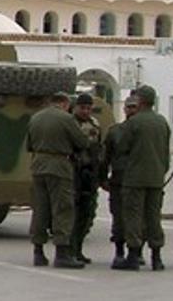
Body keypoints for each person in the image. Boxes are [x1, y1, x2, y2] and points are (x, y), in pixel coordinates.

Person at [27, 91, 90, 269]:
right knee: (62, 208)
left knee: (40, 209)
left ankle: (38, 252)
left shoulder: (36, 118)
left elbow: (29, 145)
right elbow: (81, 142)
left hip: (38, 165)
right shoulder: (66, 119)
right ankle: (62, 253)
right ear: (64, 103)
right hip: (59, 166)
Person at [112, 84, 171, 272]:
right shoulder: (162, 122)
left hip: (135, 178)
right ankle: (157, 257)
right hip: (155, 177)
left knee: (133, 216)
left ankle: (133, 255)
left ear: (141, 101)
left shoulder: (134, 122)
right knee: (153, 217)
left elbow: (121, 146)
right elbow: (165, 152)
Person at [102, 96, 138, 262]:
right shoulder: (115, 130)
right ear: (124, 109)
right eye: (129, 107)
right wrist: (102, 178)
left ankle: (136, 252)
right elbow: (106, 156)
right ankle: (119, 251)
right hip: (119, 179)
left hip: (138, 180)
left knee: (139, 218)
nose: (131, 111)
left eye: (134, 107)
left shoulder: (144, 131)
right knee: (118, 217)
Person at [70, 92, 103, 264]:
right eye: (82, 108)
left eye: (89, 108)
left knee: (87, 213)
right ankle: (70, 249)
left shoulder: (94, 124)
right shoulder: (69, 123)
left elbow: (99, 147)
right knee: (72, 214)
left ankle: (79, 248)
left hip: (90, 173)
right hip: (74, 172)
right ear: (75, 107)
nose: (86, 111)